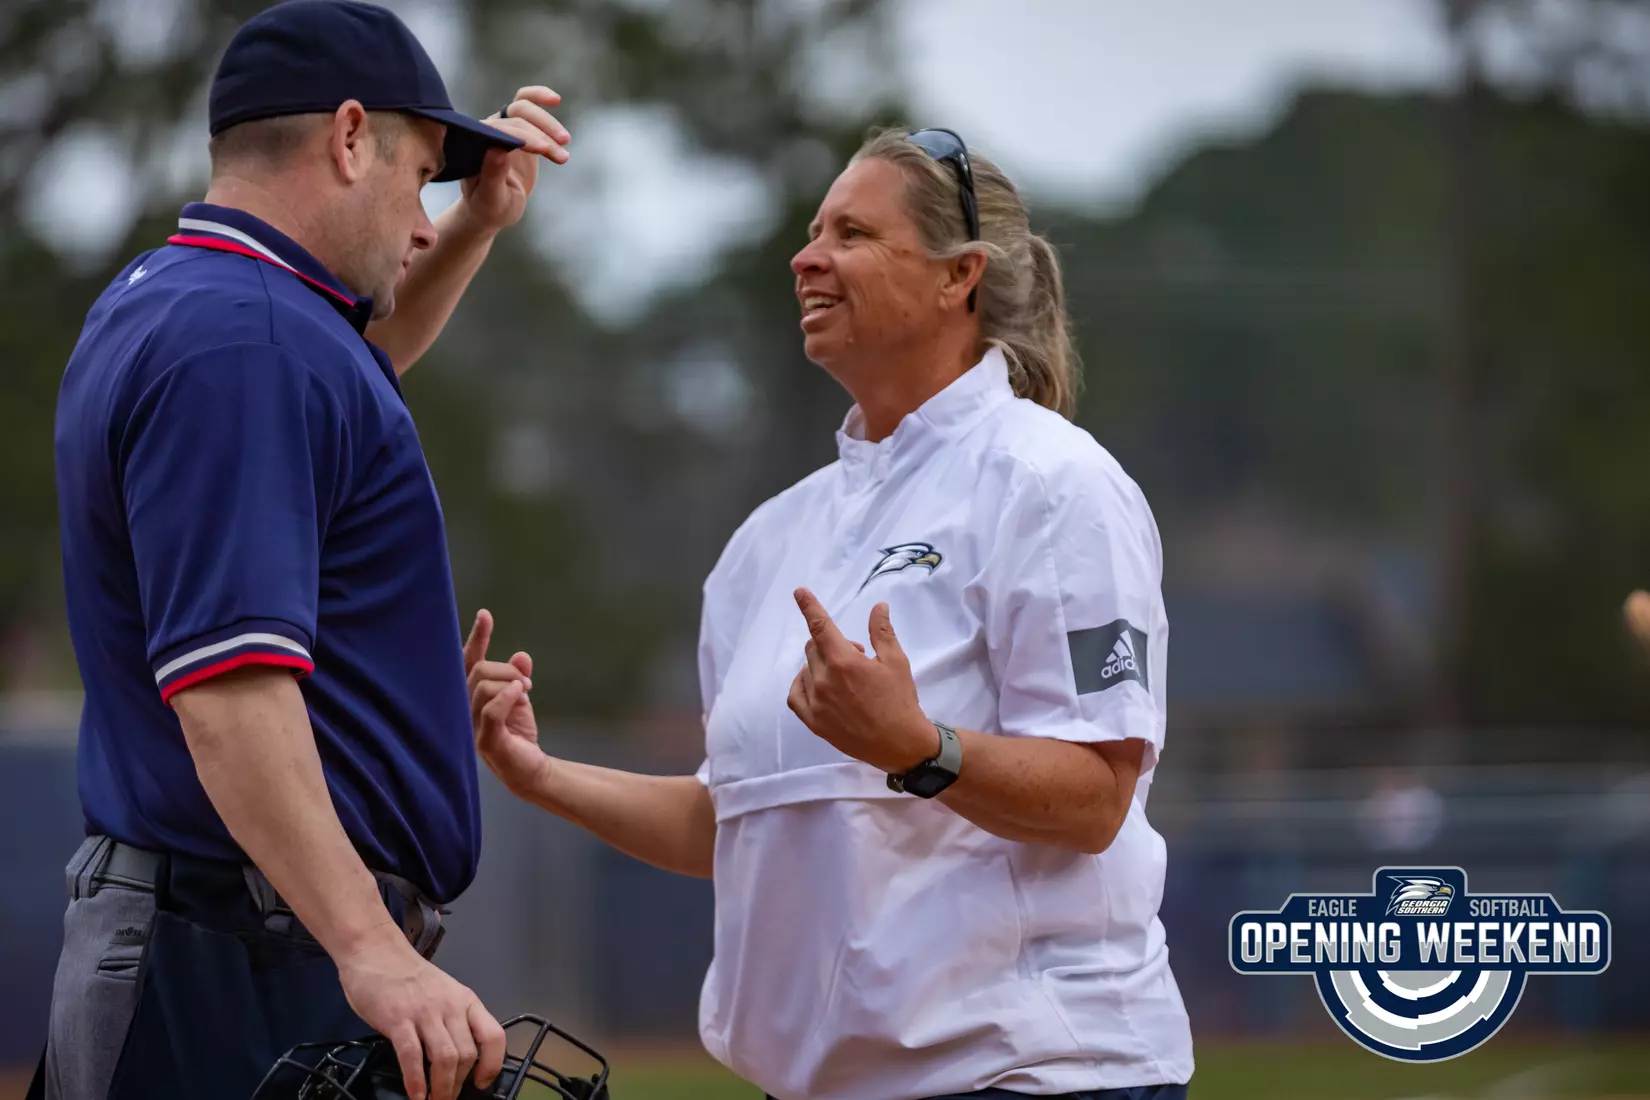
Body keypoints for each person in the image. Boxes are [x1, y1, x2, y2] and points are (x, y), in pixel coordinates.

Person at [466, 127, 1194, 1100]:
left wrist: (918, 744)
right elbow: (734, 821)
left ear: (959, 278)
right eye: (812, 231)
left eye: (852, 232)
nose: (807, 256)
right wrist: (540, 773)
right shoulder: (769, 541)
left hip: (1032, 1074)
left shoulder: (1053, 483)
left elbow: (1100, 794)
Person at [38, 2, 571, 1099]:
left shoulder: (189, 301)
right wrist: (370, 943)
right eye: (421, 177)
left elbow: (350, 375)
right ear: (345, 137)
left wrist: (475, 224)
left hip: (226, 928)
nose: (425, 223)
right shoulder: (250, 340)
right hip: (232, 952)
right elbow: (228, 691)